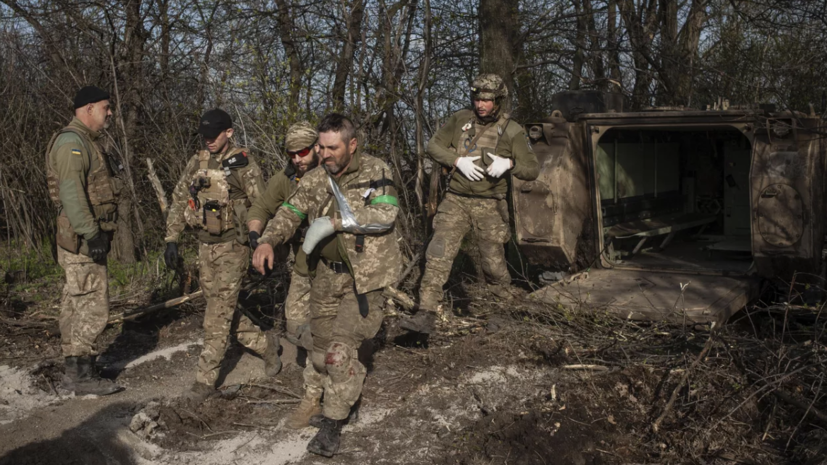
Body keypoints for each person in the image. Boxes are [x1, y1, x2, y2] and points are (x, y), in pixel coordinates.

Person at [252, 113, 401, 457]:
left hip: (363, 279)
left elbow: (384, 216)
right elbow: (290, 211)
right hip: (326, 276)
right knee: (318, 354)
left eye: (332, 147)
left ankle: (334, 422)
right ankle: (327, 397)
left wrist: (336, 223)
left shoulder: (376, 171)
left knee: (338, 354)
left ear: (352, 145)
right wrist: (267, 240)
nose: (324, 153)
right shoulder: (316, 178)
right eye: (320, 147)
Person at [403, 74, 540, 335]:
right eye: (477, 99)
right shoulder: (460, 120)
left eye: (487, 100)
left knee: (494, 265)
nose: (481, 105)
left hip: (490, 204)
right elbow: (434, 146)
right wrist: (457, 161)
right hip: (456, 200)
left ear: (498, 101)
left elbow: (533, 170)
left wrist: (510, 164)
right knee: (437, 255)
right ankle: (426, 313)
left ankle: (502, 313)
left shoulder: (512, 130)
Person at [163, 109, 280, 402]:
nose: (208, 141)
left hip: (233, 247)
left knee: (216, 315)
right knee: (221, 307)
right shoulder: (198, 161)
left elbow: (261, 204)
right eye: (204, 136)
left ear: (228, 133)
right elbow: (180, 197)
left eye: (214, 136)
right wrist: (171, 238)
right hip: (205, 246)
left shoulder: (244, 164)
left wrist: (260, 241)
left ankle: (204, 381)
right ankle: (266, 345)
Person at [46, 85, 123, 396]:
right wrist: (92, 235)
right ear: (89, 108)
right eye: (106, 107)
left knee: (75, 303)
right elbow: (73, 196)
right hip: (82, 239)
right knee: (91, 306)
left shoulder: (83, 142)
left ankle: (78, 368)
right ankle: (81, 374)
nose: (110, 113)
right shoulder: (72, 144)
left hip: (80, 237)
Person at [246, 121, 318, 363]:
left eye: (303, 152)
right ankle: (314, 356)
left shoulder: (332, 174)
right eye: (292, 154)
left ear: (317, 147)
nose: (297, 159)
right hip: (303, 257)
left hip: (336, 258)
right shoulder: (285, 179)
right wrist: (256, 236)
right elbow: (261, 207)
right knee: (295, 321)